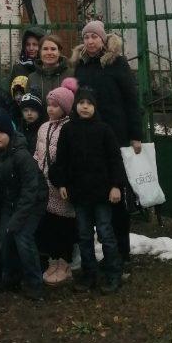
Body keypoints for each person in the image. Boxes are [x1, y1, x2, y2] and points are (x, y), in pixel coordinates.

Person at [69, 19, 142, 272]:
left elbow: (131, 100)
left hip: (115, 135)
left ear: (103, 39)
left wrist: (135, 134)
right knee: (96, 194)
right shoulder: (79, 66)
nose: (90, 41)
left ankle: (121, 251)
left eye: (94, 37)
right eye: (86, 36)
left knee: (116, 194)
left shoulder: (117, 63)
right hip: (89, 138)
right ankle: (102, 251)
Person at [50, 86, 124, 294]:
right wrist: (62, 183)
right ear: (75, 105)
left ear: (95, 106)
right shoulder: (68, 130)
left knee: (105, 233)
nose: (85, 107)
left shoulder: (104, 130)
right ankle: (89, 274)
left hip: (102, 194)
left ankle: (113, 273)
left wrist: (116, 186)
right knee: (83, 235)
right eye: (81, 102)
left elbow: (115, 161)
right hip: (79, 194)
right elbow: (61, 160)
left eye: (89, 103)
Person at [0, 108, 47, 301]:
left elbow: (31, 190)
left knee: (22, 236)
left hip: (33, 202)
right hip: (9, 203)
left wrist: (16, 221)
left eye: (0, 132)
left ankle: (35, 283)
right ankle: (10, 277)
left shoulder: (21, 156)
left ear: (8, 132)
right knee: (4, 236)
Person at [34, 81, 77, 286]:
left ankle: (65, 263)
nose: (50, 108)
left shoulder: (70, 129)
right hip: (44, 185)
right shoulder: (43, 127)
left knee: (64, 226)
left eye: (55, 105)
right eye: (49, 104)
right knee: (49, 225)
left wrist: (65, 181)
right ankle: (53, 261)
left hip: (61, 186)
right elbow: (38, 153)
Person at [27, 34, 70, 103]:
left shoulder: (70, 75)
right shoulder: (32, 78)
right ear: (40, 52)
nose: (49, 53)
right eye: (45, 49)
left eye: (53, 49)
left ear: (59, 52)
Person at [16, 91, 46, 155]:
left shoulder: (44, 130)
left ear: (39, 112)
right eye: (25, 110)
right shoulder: (19, 129)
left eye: (33, 110)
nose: (29, 113)